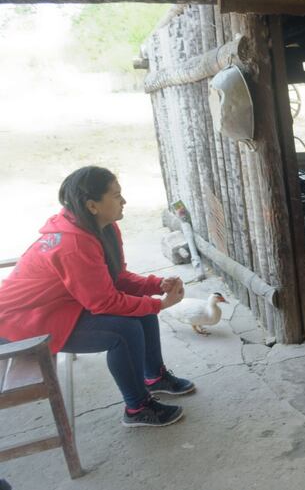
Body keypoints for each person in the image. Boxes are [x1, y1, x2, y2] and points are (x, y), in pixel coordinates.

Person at [0, 166, 196, 427]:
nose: (123, 201)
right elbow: (103, 301)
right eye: (116, 196)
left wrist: (156, 284)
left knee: (142, 313)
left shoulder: (103, 227)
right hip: (21, 322)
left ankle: (154, 376)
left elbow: (116, 278)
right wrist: (159, 304)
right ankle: (137, 408)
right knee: (125, 332)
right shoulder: (74, 244)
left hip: (59, 306)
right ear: (92, 205)